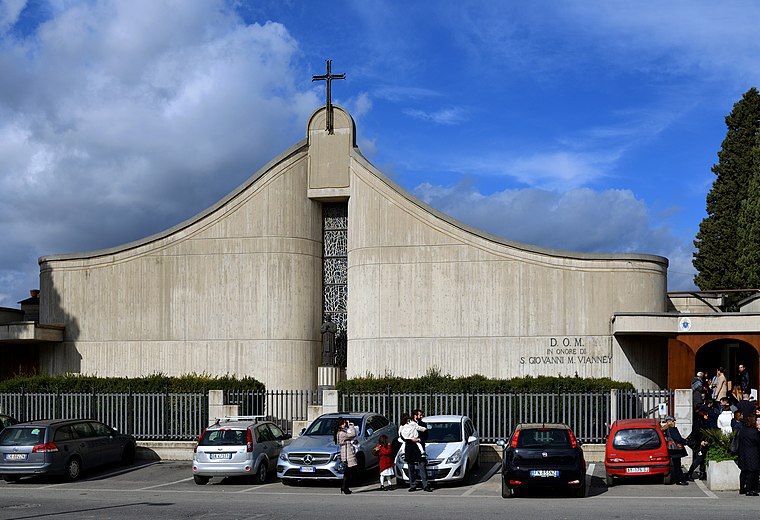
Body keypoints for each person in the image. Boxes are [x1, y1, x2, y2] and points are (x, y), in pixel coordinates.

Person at [399, 413, 432, 492]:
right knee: (411, 467)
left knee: (422, 466)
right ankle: (413, 485)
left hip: (418, 446)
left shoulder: (419, 424)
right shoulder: (402, 427)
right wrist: (411, 440)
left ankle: (425, 485)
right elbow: (402, 437)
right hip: (409, 447)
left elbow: (424, 433)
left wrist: (419, 439)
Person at [737, 414, 760, 496]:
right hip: (752, 453)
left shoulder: (743, 430)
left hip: (742, 452)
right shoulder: (754, 432)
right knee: (751, 471)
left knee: (744, 471)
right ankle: (749, 490)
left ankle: (742, 488)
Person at [662, 416, 689, 485]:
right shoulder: (671, 429)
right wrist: (685, 441)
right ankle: (679, 480)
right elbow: (677, 438)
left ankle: (679, 479)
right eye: (673, 421)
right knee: (677, 465)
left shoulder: (665, 429)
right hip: (675, 449)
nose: (674, 422)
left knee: (676, 465)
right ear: (669, 422)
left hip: (671, 449)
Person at [685, 407, 711, 481]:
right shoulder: (697, 423)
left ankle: (702, 473)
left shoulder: (706, 422)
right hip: (699, 444)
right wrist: (700, 441)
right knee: (698, 459)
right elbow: (696, 434)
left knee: (702, 459)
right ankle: (689, 473)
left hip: (705, 443)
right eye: (706, 415)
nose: (707, 416)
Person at [335, 417, 358, 495]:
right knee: (348, 471)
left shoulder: (342, 432)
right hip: (347, 454)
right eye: (344, 423)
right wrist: (351, 425)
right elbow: (353, 434)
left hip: (347, 452)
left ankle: (345, 487)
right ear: (341, 424)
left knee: (348, 471)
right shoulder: (341, 433)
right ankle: (345, 487)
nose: (345, 424)